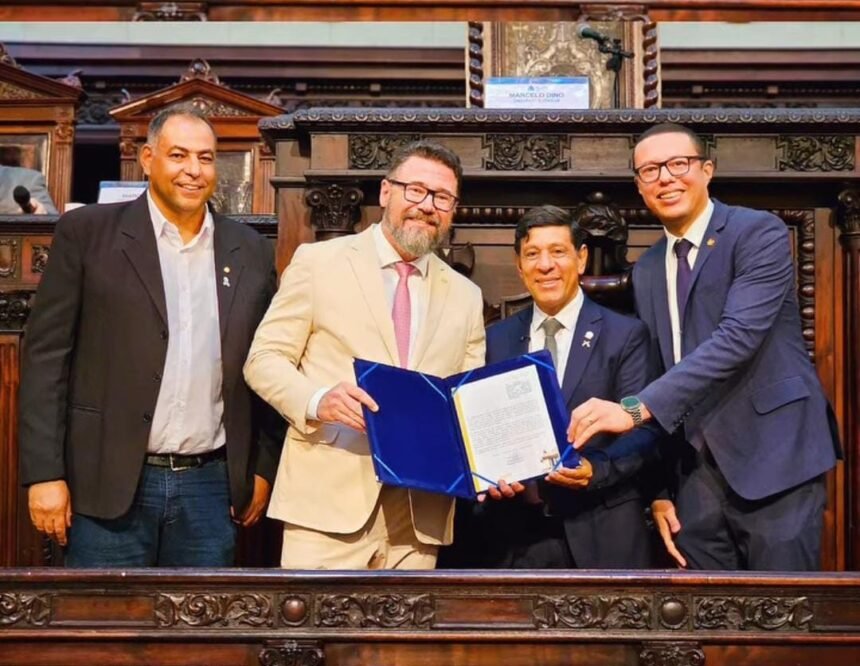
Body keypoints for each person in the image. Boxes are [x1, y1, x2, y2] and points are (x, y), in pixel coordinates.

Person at [18, 104, 283, 567]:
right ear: (147, 159)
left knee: (199, 637)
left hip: (211, 486)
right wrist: (44, 474)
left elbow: (267, 363)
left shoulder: (250, 251)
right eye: (178, 155)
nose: (193, 171)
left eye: (205, 158)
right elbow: (46, 359)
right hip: (106, 482)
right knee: (102, 631)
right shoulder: (88, 234)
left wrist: (261, 468)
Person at [568, 122, 840, 570]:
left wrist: (632, 410)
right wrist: (659, 489)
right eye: (651, 170)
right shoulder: (650, 268)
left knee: (783, 624)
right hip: (694, 480)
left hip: (775, 460)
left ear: (707, 170)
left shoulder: (758, 234)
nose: (666, 178)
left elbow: (737, 339)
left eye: (679, 164)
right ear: (639, 187)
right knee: (709, 632)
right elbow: (661, 372)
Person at [243, 139, 485, 570]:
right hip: (326, 506)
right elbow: (263, 360)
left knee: (400, 640)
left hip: (418, 516)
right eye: (415, 190)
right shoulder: (319, 263)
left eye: (442, 197)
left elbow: (468, 405)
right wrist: (319, 400)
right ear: (385, 191)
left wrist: (489, 459)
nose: (427, 205)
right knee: (315, 636)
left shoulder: (466, 296)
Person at [439, 205, 660, 569]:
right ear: (520, 267)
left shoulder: (626, 335)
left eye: (558, 251)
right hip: (510, 538)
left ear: (581, 258)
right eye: (532, 254)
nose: (545, 265)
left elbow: (646, 430)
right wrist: (486, 476)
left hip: (602, 530)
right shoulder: (494, 339)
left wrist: (595, 469)